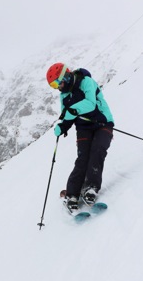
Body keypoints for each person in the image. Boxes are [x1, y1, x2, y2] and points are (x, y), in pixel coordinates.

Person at [46, 63, 114, 211]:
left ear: (66, 75)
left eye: (57, 82)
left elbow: (90, 104)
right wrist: (63, 126)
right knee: (83, 159)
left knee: (98, 151)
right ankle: (72, 195)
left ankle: (91, 187)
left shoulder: (86, 82)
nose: (57, 87)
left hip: (103, 123)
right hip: (83, 128)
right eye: (53, 85)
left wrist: (72, 110)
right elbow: (67, 116)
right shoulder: (64, 96)